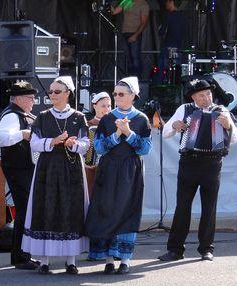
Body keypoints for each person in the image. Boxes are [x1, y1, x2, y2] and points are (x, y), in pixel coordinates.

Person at [158, 79, 237, 262]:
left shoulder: (221, 110)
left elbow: (233, 137)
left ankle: (206, 249)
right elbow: (166, 132)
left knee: (209, 207)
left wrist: (228, 125)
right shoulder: (185, 109)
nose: (207, 97)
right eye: (202, 95)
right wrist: (175, 126)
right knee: (182, 207)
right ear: (194, 97)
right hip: (189, 162)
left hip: (212, 163)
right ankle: (175, 250)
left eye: (209, 94)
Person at [21, 76, 90, 275]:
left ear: (67, 93)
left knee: (71, 208)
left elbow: (86, 145)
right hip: (48, 168)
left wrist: (72, 144)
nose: (52, 95)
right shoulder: (42, 116)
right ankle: (44, 260)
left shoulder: (78, 117)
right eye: (50, 92)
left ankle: (71, 260)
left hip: (71, 167)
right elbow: (34, 143)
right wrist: (53, 141)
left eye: (57, 92)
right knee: (46, 207)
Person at [85, 78, 152, 274]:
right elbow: (98, 147)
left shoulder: (141, 119)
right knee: (106, 208)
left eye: (121, 94)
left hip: (130, 170)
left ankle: (125, 259)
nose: (116, 97)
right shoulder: (107, 119)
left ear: (133, 96)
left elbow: (145, 148)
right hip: (109, 168)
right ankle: (108, 257)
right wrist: (116, 134)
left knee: (127, 210)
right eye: (115, 94)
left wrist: (129, 133)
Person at [0, 81, 39, 270]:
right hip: (18, 168)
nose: (33, 101)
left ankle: (23, 253)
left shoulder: (22, 114)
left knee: (26, 209)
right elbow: (3, 138)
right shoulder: (12, 115)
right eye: (30, 98)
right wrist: (22, 134)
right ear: (20, 99)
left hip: (24, 167)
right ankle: (20, 255)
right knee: (23, 209)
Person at [111, 0, 150, 78]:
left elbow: (144, 23)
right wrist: (110, 4)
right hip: (125, 33)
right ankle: (129, 81)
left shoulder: (143, 4)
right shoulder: (126, 1)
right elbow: (114, 12)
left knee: (135, 59)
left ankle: (137, 81)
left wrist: (135, 35)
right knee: (128, 59)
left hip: (135, 33)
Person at [84, 92, 112, 196]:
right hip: (92, 168)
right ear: (95, 106)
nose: (107, 109)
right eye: (103, 106)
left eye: (109, 106)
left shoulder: (116, 124)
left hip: (110, 166)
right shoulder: (88, 125)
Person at [155, 0, 185, 84]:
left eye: (167, 1)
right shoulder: (182, 16)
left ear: (171, 2)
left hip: (168, 46)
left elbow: (161, 31)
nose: (166, 3)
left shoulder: (168, 15)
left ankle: (160, 89)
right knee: (177, 68)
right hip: (178, 47)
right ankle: (176, 88)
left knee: (162, 69)